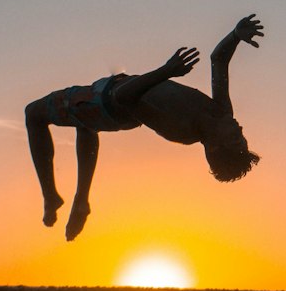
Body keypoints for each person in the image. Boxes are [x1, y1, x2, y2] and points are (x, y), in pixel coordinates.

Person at [24, 14, 264, 240]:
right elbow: (218, 60)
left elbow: (123, 98)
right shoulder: (221, 111)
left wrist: (167, 71)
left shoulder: (181, 129)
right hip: (107, 102)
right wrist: (235, 35)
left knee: (34, 114)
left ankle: (50, 196)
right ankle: (81, 200)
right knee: (86, 126)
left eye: (235, 138)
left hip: (105, 103)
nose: (239, 129)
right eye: (242, 136)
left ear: (214, 147)